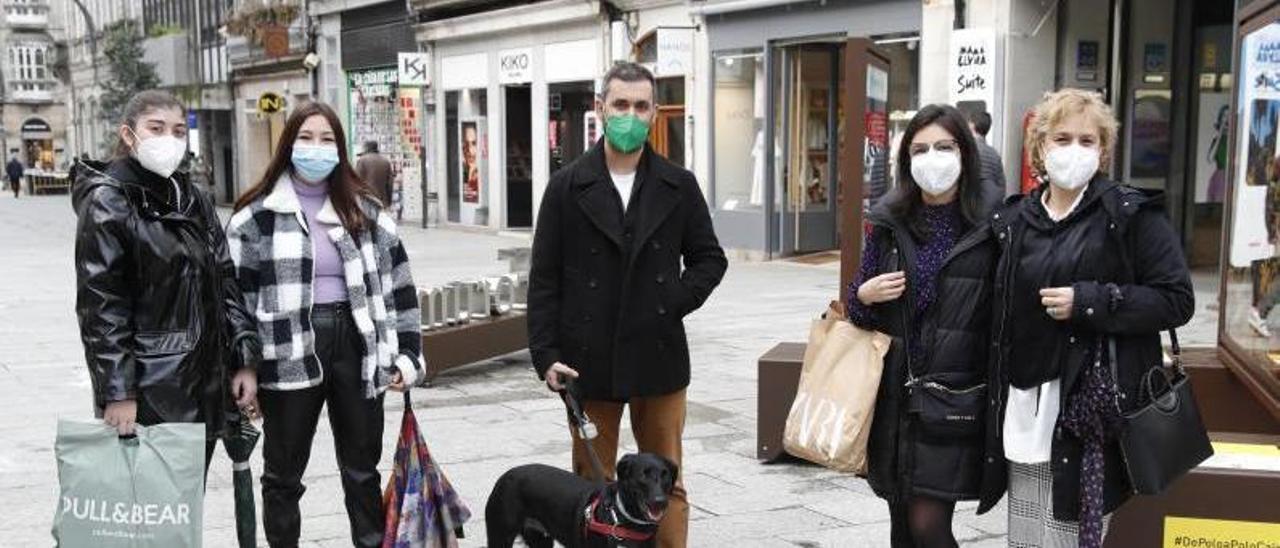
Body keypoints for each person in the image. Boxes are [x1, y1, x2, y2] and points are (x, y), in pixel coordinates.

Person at [978, 89, 1195, 547]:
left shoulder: (1129, 214)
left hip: (1087, 412)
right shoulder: (1015, 219)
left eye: (1087, 140)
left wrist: (1092, 300)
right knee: (1026, 537)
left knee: (1070, 538)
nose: (1074, 149)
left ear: (1103, 150)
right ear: (1039, 147)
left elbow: (1176, 300)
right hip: (1023, 406)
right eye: (1062, 138)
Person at [527, 61, 727, 548]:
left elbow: (709, 260)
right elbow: (544, 278)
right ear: (601, 108)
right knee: (590, 482)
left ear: (654, 113)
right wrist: (546, 353)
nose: (630, 115)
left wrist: (669, 302)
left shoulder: (678, 185)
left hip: (658, 357)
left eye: (641, 106)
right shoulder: (567, 186)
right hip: (586, 360)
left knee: (667, 482)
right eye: (621, 105)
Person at [227, 101, 423, 548]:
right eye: (306, 138)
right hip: (286, 351)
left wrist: (409, 353)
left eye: (327, 139)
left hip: (358, 346)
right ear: (288, 145)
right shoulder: (255, 217)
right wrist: (243, 366)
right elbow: (234, 300)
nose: (317, 148)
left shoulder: (367, 213)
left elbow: (401, 288)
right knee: (282, 474)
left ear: (341, 147)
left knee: (361, 470)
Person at [71, 90, 260, 457]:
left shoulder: (193, 197)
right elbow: (101, 307)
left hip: (203, 381)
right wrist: (118, 391)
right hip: (149, 389)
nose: (168, 140)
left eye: (177, 131)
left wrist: (244, 357)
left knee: (186, 506)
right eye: (155, 128)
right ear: (129, 135)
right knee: (151, 506)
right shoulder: (108, 202)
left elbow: (225, 279)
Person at [847, 104, 1001, 548]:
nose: (933, 158)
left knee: (928, 526)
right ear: (906, 159)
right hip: (895, 397)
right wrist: (863, 296)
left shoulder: (992, 223)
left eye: (944, 146)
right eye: (920, 149)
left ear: (965, 154)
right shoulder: (888, 221)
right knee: (901, 528)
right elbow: (860, 307)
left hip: (952, 397)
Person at [968, 110, 1007, 196]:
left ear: (972, 125)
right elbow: (1001, 185)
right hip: (991, 205)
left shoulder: (966, 150)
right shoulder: (994, 154)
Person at [355, 140, 393, 206]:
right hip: (382, 201)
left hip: (367, 201)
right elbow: (390, 184)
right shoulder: (385, 162)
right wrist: (389, 202)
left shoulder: (362, 161)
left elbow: (356, 182)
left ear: (366, 149)